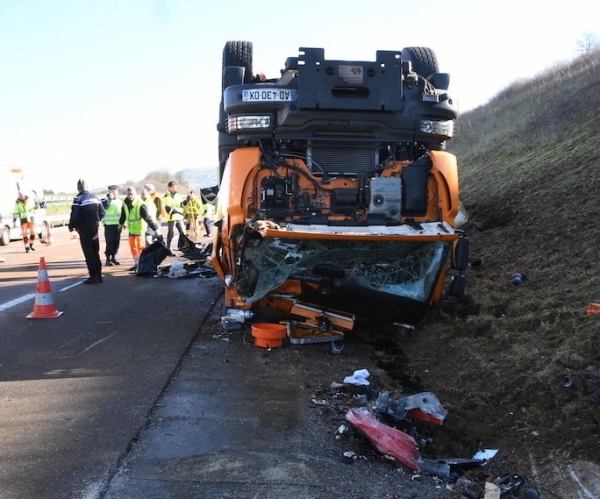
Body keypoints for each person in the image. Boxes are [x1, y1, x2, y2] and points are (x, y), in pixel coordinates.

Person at [68, 179, 105, 284]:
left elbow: (74, 216)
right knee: (95, 252)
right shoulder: (96, 197)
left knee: (88, 253)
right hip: (94, 227)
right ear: (88, 187)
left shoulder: (78, 199)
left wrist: (71, 226)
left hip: (84, 228)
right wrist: (97, 222)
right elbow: (102, 213)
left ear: (78, 188)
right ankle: (99, 275)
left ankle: (93, 276)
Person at [119, 186, 160, 272]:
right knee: (133, 248)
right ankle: (137, 264)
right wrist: (120, 224)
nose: (130, 196)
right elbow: (123, 215)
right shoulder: (125, 204)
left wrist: (155, 229)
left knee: (141, 248)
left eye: (132, 194)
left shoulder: (140, 204)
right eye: (128, 194)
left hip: (140, 230)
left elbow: (147, 218)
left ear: (135, 194)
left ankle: (142, 265)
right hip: (131, 230)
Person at [101, 185, 123, 266]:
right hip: (109, 225)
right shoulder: (105, 199)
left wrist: (122, 223)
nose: (115, 193)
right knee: (109, 242)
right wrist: (109, 198)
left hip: (117, 225)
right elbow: (104, 207)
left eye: (116, 191)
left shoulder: (120, 201)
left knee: (116, 242)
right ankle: (108, 258)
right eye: (113, 191)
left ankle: (114, 257)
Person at [162, 181, 185, 251]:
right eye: (173, 188)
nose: (174, 189)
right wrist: (179, 212)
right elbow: (168, 209)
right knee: (171, 233)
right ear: (169, 188)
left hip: (179, 218)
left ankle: (181, 246)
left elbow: (181, 205)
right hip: (171, 218)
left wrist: (186, 201)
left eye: (175, 188)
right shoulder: (166, 197)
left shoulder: (178, 195)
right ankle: (168, 248)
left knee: (182, 233)